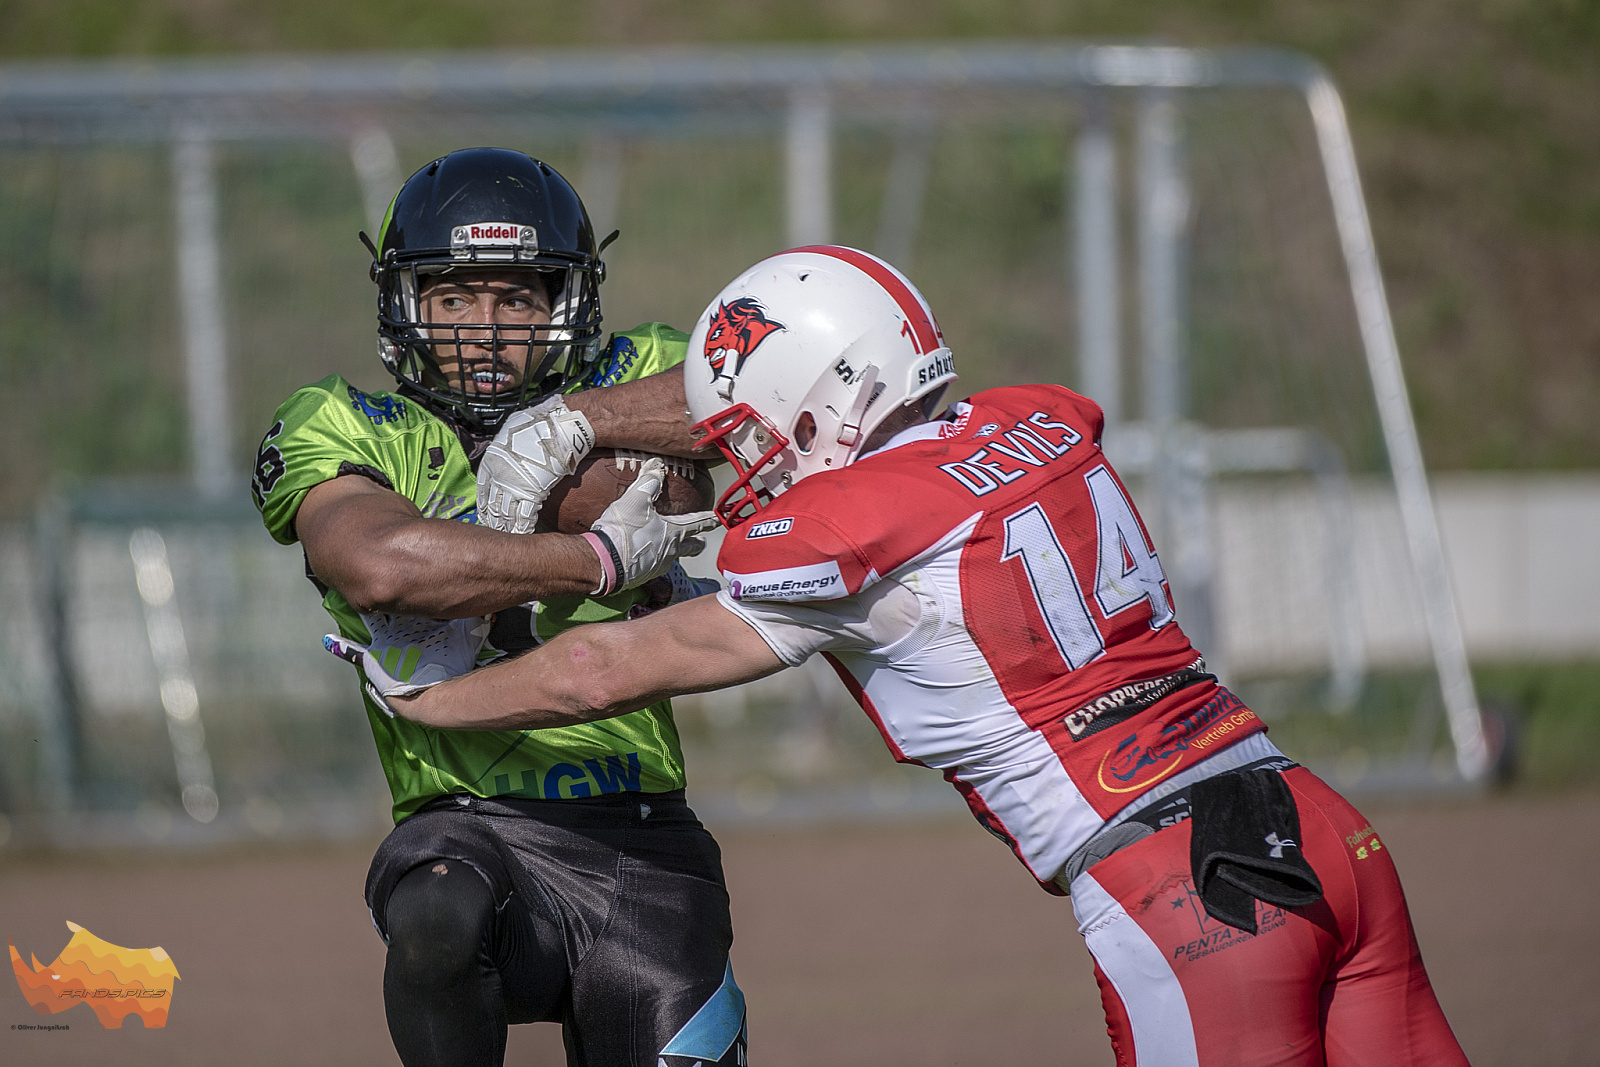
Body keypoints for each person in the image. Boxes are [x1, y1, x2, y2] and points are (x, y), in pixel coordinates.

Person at [371, 245, 1472, 1065]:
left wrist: (431, 701)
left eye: (748, 428)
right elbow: (929, 568)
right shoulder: (1033, 421)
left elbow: (598, 670)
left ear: (817, 402)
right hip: (1319, 822)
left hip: (1178, 888)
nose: (741, 459)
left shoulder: (832, 534)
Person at [252, 147, 745, 1067]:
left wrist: (577, 423)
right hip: (464, 823)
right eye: (455, 299)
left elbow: (756, 394)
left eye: (517, 298)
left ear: (567, 304)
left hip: (641, 826)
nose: (486, 327)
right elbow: (379, 565)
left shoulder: (634, 371)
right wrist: (593, 558)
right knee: (437, 911)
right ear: (408, 308)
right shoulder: (346, 421)